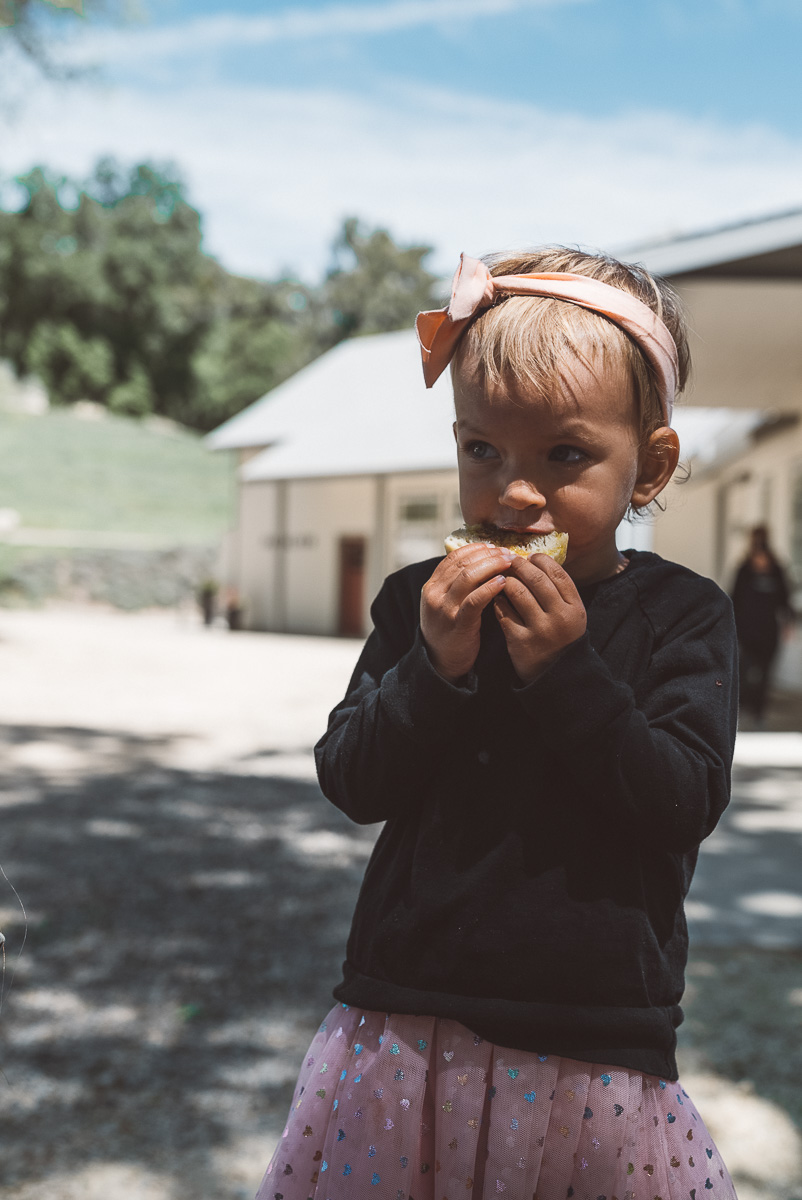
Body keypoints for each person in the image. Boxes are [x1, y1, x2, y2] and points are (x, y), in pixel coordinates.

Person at [256, 250, 739, 1200]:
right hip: (406, 1021)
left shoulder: (685, 617)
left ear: (650, 463)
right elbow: (352, 780)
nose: (516, 494)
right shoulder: (417, 604)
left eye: (564, 456)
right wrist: (435, 665)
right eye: (484, 451)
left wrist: (567, 670)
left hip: (593, 1038)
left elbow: (680, 801)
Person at [731, 525, 794, 726]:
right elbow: (733, 598)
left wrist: (788, 624)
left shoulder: (776, 570)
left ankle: (757, 711)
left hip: (766, 631)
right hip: (748, 630)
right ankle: (746, 709)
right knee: (745, 671)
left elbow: (785, 600)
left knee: (763, 673)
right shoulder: (744, 570)